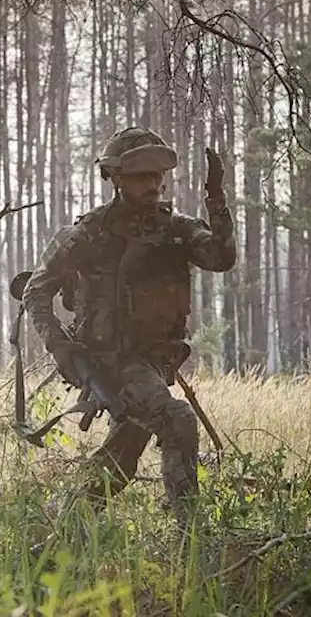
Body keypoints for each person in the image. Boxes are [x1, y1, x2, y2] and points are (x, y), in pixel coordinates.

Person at [22, 127, 236, 524]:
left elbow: (221, 258)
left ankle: (63, 527)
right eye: (141, 176)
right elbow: (37, 289)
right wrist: (60, 348)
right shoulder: (88, 234)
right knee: (177, 419)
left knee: (118, 461)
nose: (153, 184)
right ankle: (195, 541)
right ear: (116, 179)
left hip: (156, 361)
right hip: (109, 359)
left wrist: (216, 199)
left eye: (158, 176)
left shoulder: (177, 228)